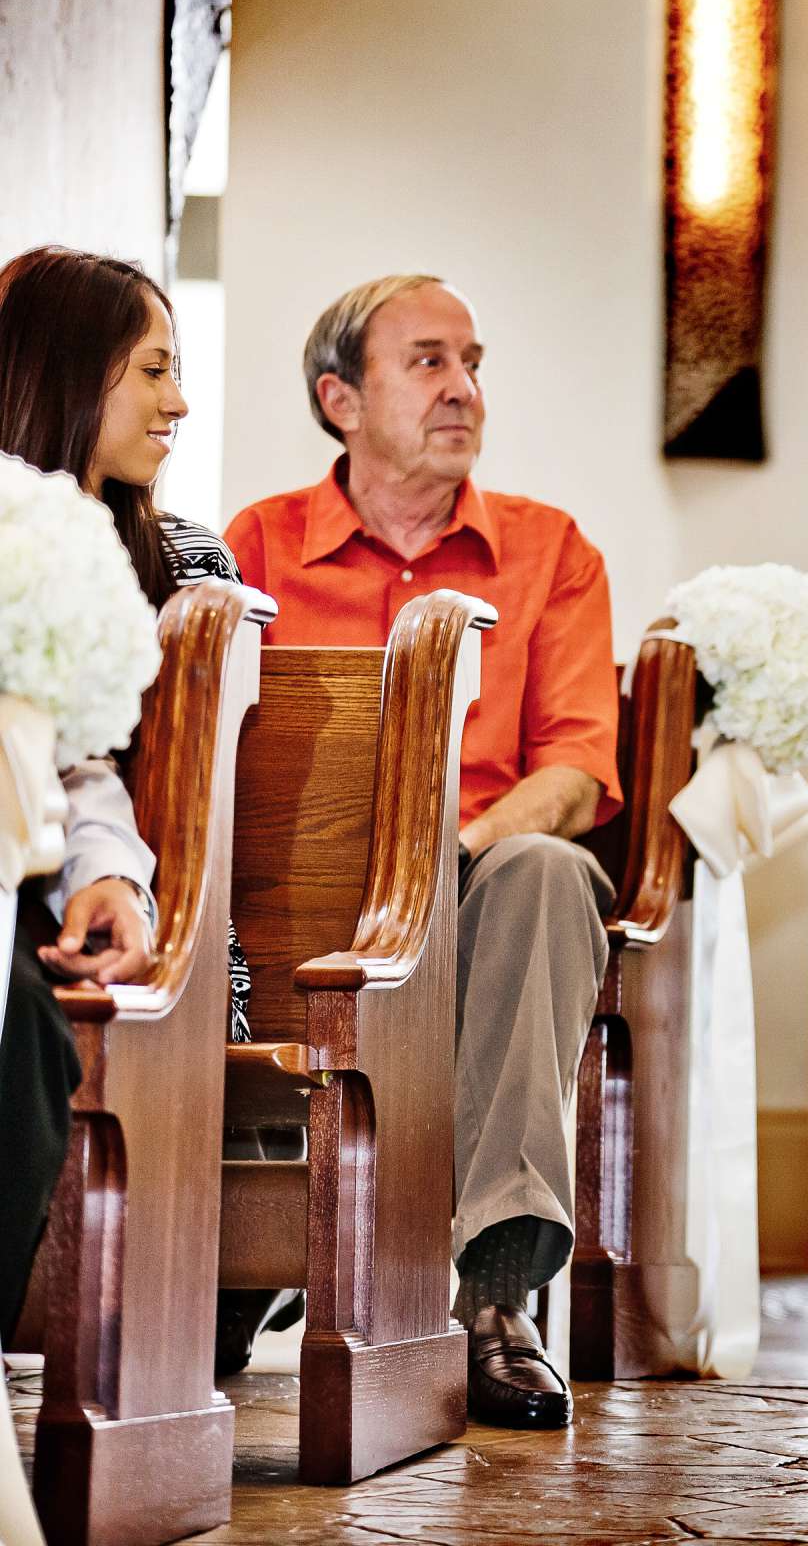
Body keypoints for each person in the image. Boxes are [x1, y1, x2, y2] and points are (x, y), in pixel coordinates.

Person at [225, 275, 622, 1429]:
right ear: (338, 398)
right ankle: (245, 1260)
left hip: (485, 881)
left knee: (547, 871)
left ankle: (497, 1291)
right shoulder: (254, 545)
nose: (465, 388)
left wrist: (453, 848)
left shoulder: (551, 550)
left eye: (474, 361)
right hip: (307, 889)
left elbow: (580, 767)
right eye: (429, 361)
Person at [0, 243, 228, 1336]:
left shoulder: (184, 566)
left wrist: (115, 885)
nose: (178, 400)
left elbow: (94, 767)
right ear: (63, 369)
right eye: (152, 369)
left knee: (21, 1026)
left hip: (79, 918)